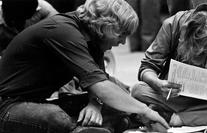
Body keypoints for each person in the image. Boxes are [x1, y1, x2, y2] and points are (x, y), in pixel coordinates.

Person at [0, 0, 169, 133]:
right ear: (106, 26)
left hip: (37, 101)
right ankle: (93, 128)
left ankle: (89, 128)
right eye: (122, 34)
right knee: (55, 117)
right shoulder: (64, 31)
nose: (123, 42)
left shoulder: (94, 39)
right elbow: (101, 88)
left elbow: (100, 84)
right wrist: (145, 111)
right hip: (7, 105)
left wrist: (94, 104)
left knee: (117, 102)